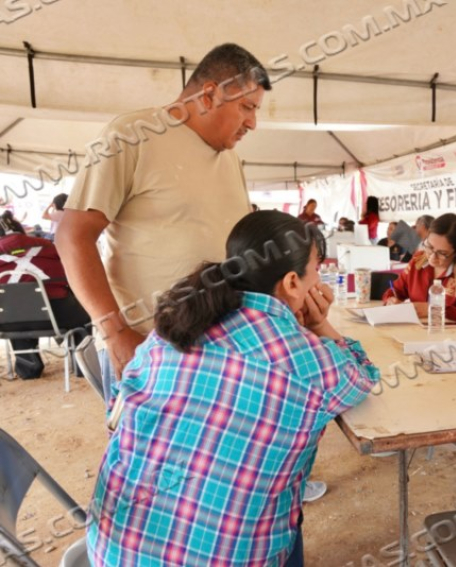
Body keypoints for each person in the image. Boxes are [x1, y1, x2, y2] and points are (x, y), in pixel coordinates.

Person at [86, 211, 379, 566]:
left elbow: (118, 412)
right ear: (292, 282)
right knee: (281, 508)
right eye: (316, 267)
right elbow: (364, 375)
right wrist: (319, 324)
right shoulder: (310, 361)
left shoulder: (176, 326)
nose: (319, 277)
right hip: (223, 558)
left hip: (111, 549)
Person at [56, 44, 271, 401]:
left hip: (222, 351)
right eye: (247, 107)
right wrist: (116, 333)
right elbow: (72, 237)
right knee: (148, 441)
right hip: (150, 348)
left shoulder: (230, 159)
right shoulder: (132, 134)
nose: (252, 123)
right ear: (209, 95)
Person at [0, 230, 91, 378]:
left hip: (9, 321)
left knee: (15, 309)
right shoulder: (52, 248)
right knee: (84, 318)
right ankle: (82, 366)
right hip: (58, 316)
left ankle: (28, 368)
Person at [382, 213, 456, 327]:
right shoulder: (418, 259)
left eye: (442, 253)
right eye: (429, 247)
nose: (432, 257)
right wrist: (390, 300)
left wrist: (434, 309)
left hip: (453, 335)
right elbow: (395, 290)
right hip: (417, 331)